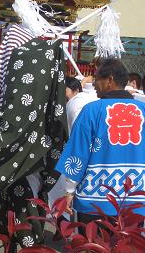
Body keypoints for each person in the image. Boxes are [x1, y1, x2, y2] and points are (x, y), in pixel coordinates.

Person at [55, 59, 145, 226]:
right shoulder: (143, 110)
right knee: (128, 251)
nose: (94, 84)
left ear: (109, 80)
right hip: (136, 200)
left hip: (95, 201)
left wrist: (68, 192)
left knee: (93, 251)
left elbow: (77, 153)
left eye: (97, 79)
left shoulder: (91, 111)